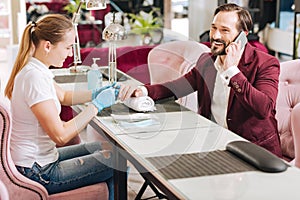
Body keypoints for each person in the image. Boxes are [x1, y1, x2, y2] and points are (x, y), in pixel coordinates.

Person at [118, 3, 282, 157]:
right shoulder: (207, 61)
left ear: (243, 35)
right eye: (213, 28)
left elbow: (263, 109)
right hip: (215, 145)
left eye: (224, 30)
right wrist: (142, 90)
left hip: (255, 152)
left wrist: (232, 71)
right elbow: (178, 87)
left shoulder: (265, 63)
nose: (215, 36)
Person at [4, 14, 117, 200]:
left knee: (103, 146)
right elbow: (61, 135)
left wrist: (97, 93)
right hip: (37, 171)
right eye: (67, 47)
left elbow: (64, 96)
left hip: (40, 160)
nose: (70, 54)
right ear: (47, 46)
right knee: (117, 161)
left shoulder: (37, 70)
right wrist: (96, 106)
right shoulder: (34, 78)